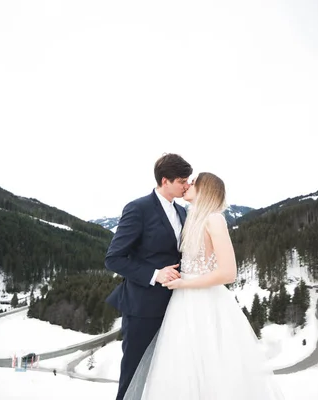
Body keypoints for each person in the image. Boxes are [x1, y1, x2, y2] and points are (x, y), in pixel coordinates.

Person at [124, 172, 284, 400]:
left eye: (194, 182)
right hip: (182, 302)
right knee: (182, 366)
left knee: (209, 365)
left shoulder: (214, 219)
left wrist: (185, 283)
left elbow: (229, 272)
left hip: (204, 303)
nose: (188, 185)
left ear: (205, 189)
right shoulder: (192, 218)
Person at [105, 153, 193, 400]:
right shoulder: (138, 208)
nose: (186, 185)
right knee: (134, 375)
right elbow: (113, 258)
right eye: (181, 180)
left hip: (176, 306)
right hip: (142, 307)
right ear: (165, 180)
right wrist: (155, 274)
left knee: (166, 374)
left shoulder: (183, 212)